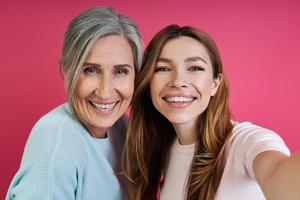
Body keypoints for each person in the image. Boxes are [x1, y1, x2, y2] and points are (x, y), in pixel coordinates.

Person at [123, 25, 300, 200]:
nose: (178, 81)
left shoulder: (245, 142)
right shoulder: (164, 148)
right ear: (148, 83)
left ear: (215, 83)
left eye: (195, 68)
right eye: (163, 68)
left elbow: (277, 176)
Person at [6, 7, 142, 200]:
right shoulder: (56, 142)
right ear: (68, 71)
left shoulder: (120, 126)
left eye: (120, 71)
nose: (105, 92)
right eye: (90, 70)